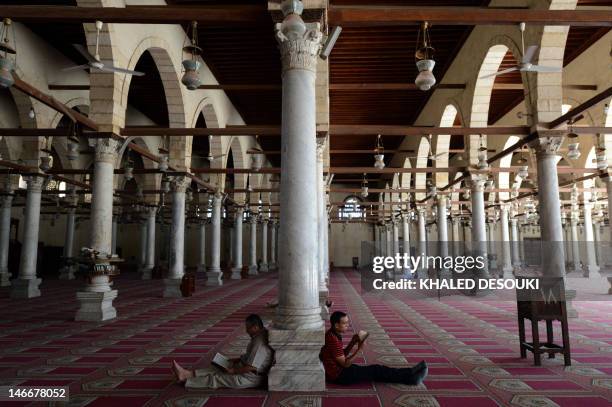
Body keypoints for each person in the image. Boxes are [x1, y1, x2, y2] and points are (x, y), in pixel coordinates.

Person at [320, 311, 428, 385]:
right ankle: (411, 376)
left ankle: (410, 374)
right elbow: (345, 363)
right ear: (336, 325)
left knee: (377, 371)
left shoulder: (333, 334)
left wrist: (353, 342)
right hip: (340, 375)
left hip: (340, 371)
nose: (347, 325)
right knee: (376, 370)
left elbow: (340, 355)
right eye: (344, 323)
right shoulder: (332, 339)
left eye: (347, 322)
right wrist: (359, 350)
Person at [172, 314, 274, 389]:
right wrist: (234, 361)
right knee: (220, 366)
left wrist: (233, 371)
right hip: (245, 368)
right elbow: (251, 360)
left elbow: (251, 367)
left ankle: (187, 381)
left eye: (248, 328)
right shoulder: (259, 335)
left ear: (255, 327)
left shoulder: (259, 343)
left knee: (218, 378)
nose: (246, 331)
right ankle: (187, 373)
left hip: (250, 378)